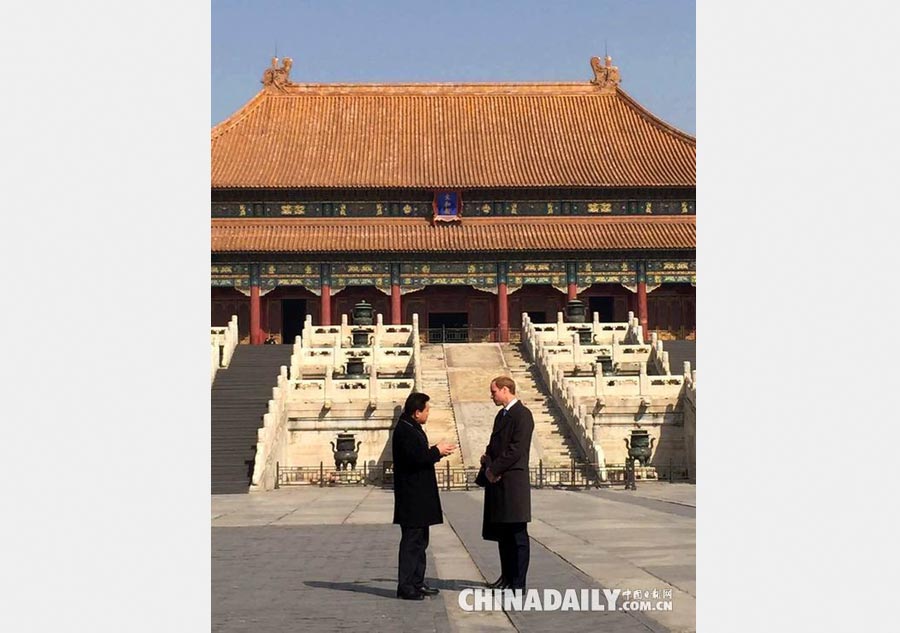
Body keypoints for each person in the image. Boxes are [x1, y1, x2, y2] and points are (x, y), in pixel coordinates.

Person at [392, 392, 456, 600]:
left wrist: (435, 451)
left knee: (421, 542)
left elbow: (418, 455)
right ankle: (406, 586)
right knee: (411, 542)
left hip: (420, 495)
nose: (428, 413)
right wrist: (436, 451)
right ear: (417, 412)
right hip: (412, 497)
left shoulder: (413, 428)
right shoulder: (404, 430)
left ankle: (417, 581)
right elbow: (415, 459)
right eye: (426, 410)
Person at [480, 376, 534, 591]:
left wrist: (494, 469)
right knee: (503, 533)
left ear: (505, 390)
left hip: (513, 481)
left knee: (517, 533)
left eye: (493, 392)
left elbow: (516, 449)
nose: (491, 395)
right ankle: (507, 576)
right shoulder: (501, 415)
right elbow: (496, 445)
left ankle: (518, 582)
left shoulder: (522, 415)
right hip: (498, 480)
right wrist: (488, 463)